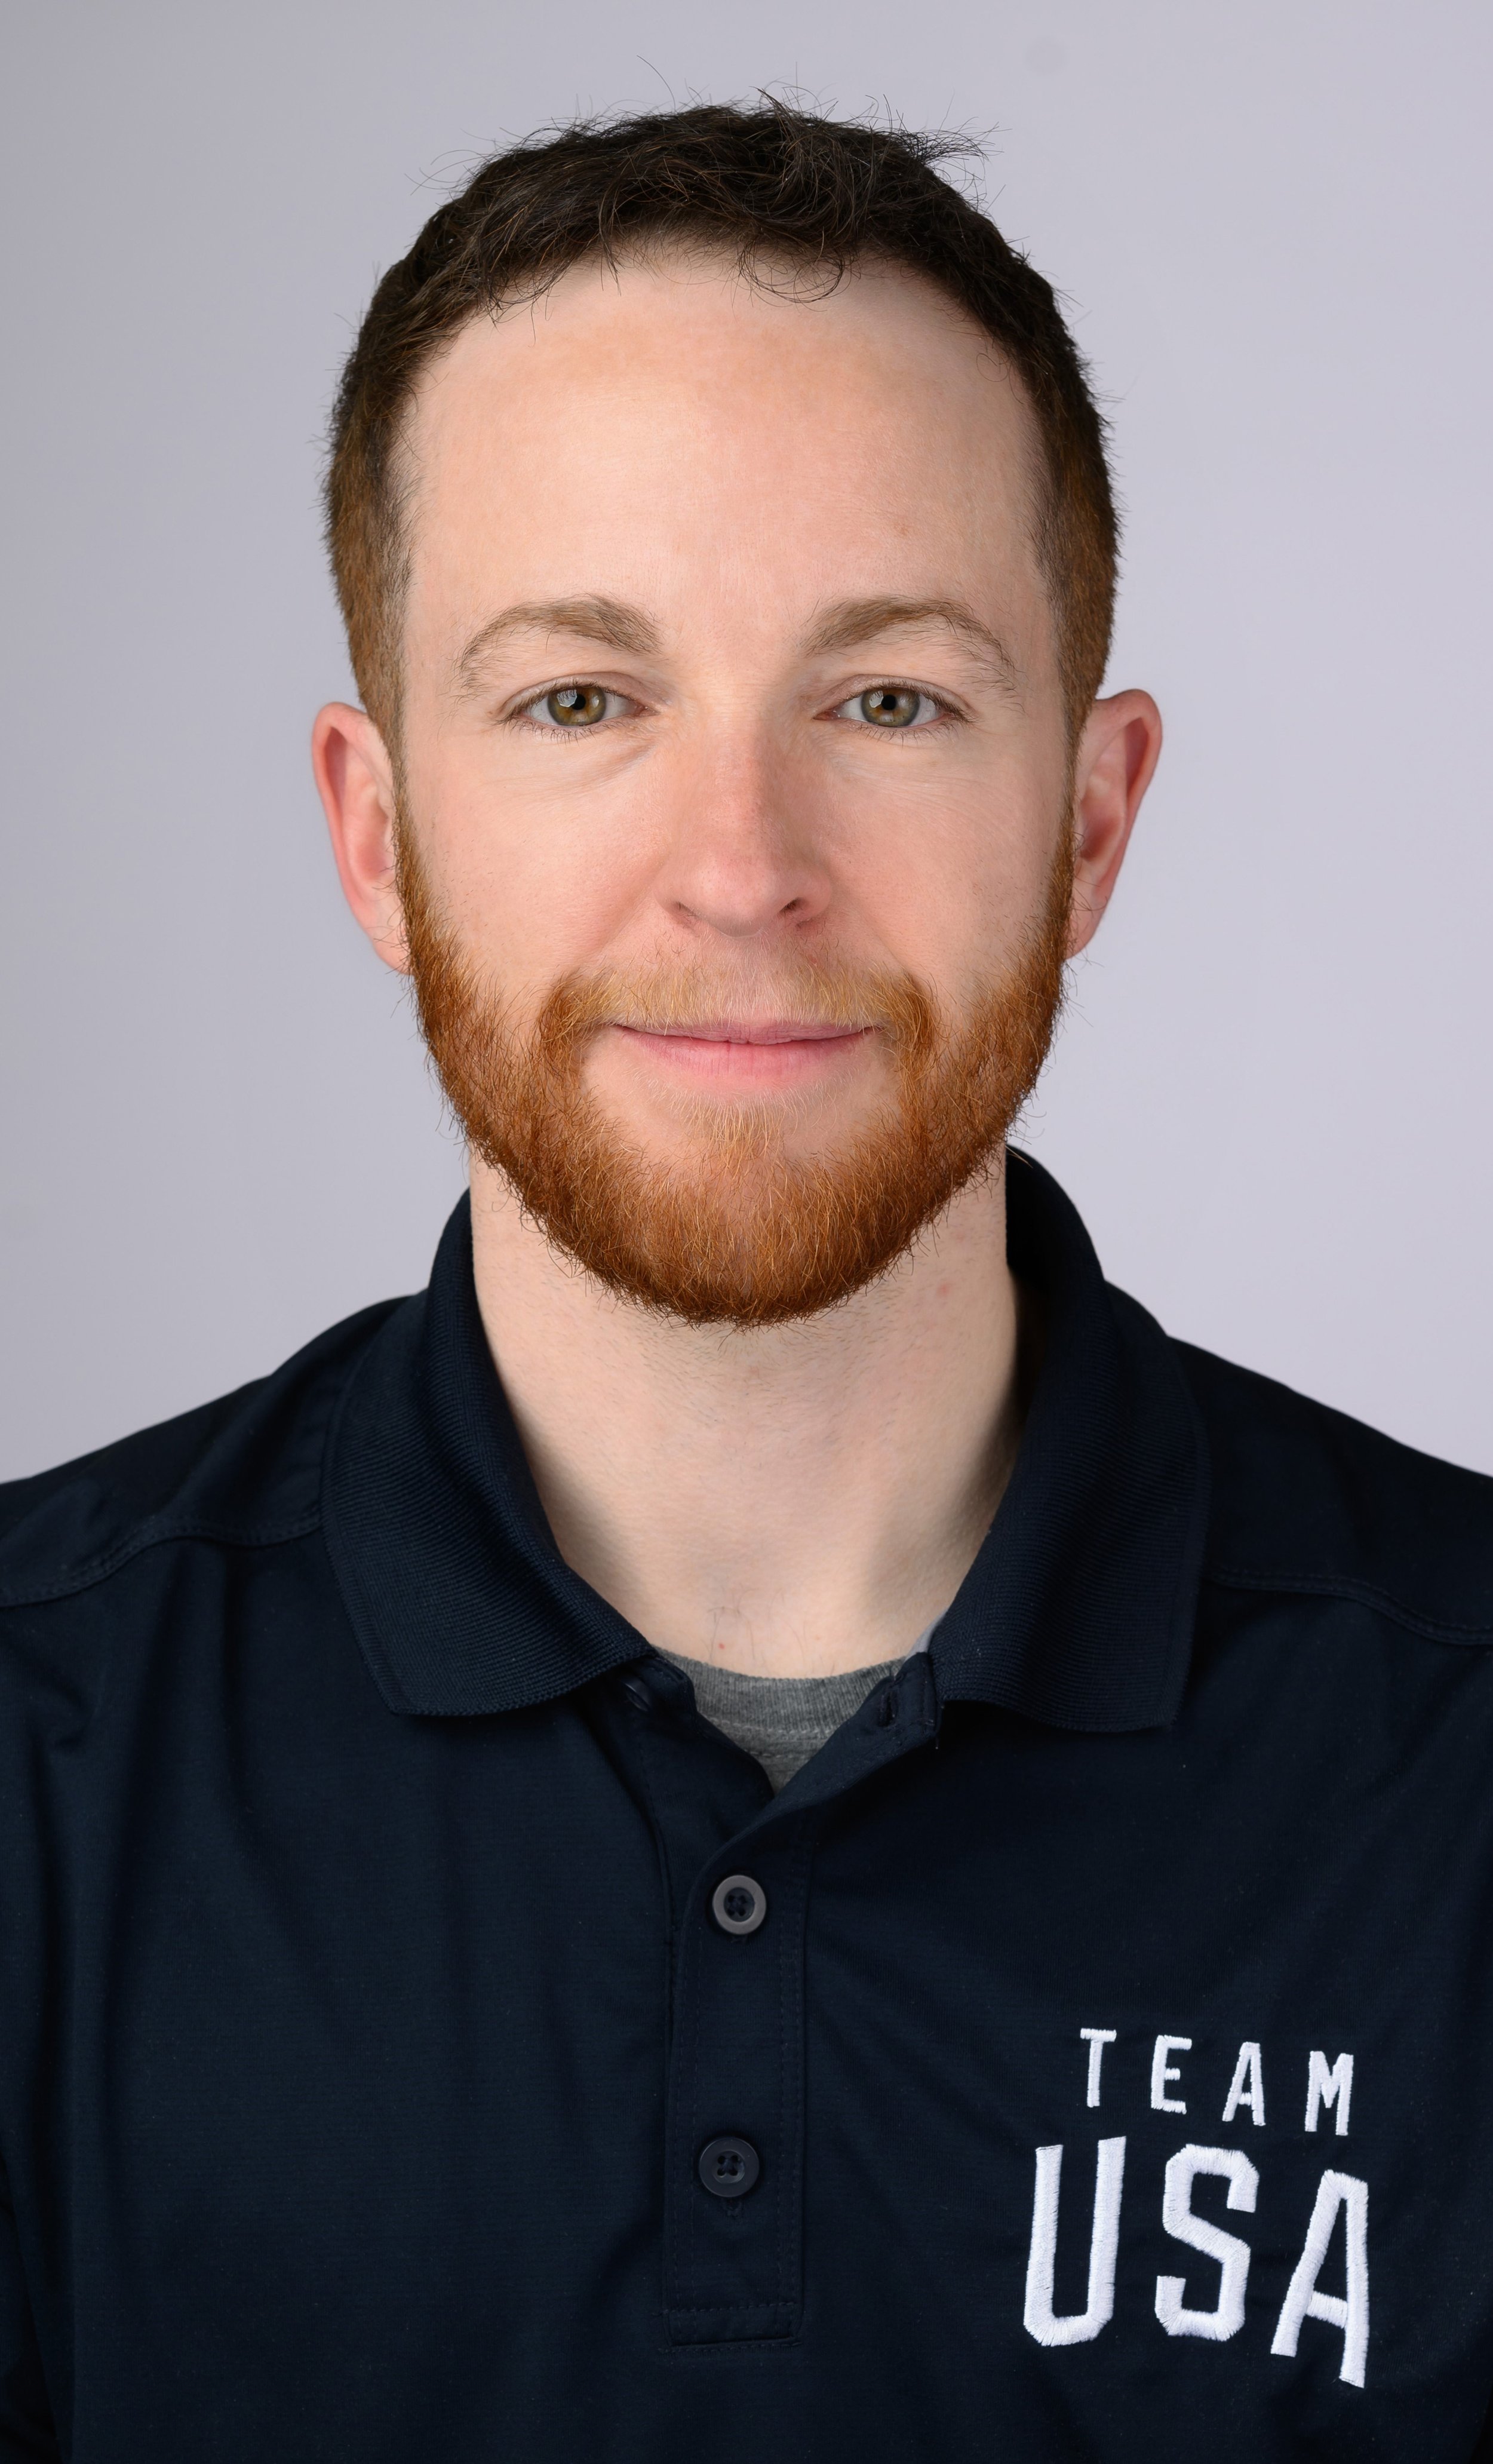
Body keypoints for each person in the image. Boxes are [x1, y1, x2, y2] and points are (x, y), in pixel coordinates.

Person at [1, 99, 1490, 2464]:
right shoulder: (39, 1770)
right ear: (379, 838)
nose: (740, 870)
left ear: (1087, 822)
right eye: (582, 700)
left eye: (884, 699)